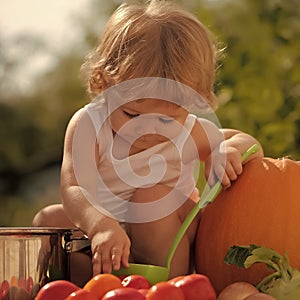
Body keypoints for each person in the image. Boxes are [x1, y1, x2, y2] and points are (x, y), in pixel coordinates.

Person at [32, 0, 263, 286]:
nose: (148, 131)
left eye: (167, 120)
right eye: (131, 114)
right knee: (48, 220)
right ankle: (93, 286)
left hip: (164, 250)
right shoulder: (89, 125)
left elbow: (250, 145)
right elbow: (74, 187)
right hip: (103, 241)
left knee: (151, 195)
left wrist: (227, 150)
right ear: (105, 83)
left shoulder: (189, 132)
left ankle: (170, 287)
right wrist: (101, 225)